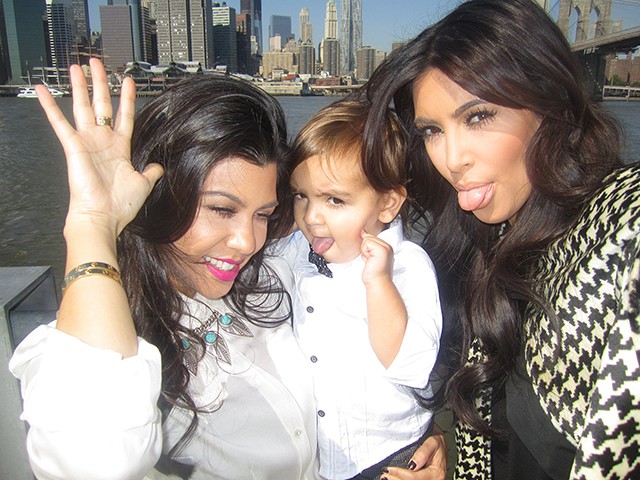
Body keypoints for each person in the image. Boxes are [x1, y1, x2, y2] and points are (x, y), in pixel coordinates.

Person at [359, 0, 640, 479]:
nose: (451, 159)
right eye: (432, 130)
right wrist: (444, 441)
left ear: (548, 104)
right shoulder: (489, 240)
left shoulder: (619, 226)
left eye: (478, 117)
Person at [9, 58, 319, 480]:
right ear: (159, 199)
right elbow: (96, 464)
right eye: (221, 209)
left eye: (262, 214)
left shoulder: (269, 277)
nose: (248, 242)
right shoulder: (115, 342)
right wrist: (93, 225)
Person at [271, 100, 442, 480]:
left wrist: (378, 283)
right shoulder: (294, 250)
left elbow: (409, 363)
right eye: (301, 196)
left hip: (389, 454)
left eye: (335, 200)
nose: (311, 217)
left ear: (388, 204)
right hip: (320, 455)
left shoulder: (407, 265)